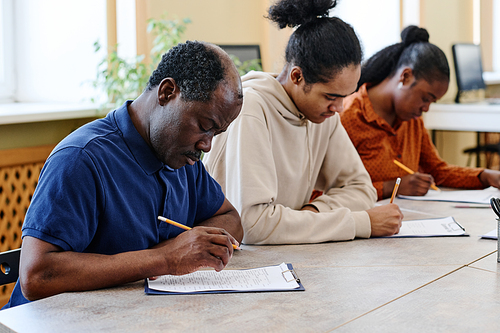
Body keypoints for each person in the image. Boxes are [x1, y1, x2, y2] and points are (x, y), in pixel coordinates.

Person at [4, 41, 244, 308]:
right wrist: (166, 258)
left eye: (216, 134)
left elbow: (230, 218)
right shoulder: (81, 159)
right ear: (167, 92)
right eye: (204, 126)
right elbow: (37, 276)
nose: (207, 145)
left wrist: (193, 246)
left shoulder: (183, 158)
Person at [203, 0, 403, 245]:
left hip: (287, 254)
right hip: (235, 263)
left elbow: (362, 189)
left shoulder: (321, 114)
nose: (339, 108)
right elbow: (252, 226)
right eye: (331, 96)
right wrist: (361, 223)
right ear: (297, 76)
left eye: (345, 97)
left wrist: (313, 214)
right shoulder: (251, 110)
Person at [340, 25, 500, 200]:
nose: (426, 109)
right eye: (425, 98)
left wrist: (485, 176)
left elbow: (437, 171)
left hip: (411, 216)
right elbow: (332, 190)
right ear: (406, 77)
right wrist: (391, 187)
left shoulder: (411, 118)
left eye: (432, 102)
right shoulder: (347, 117)